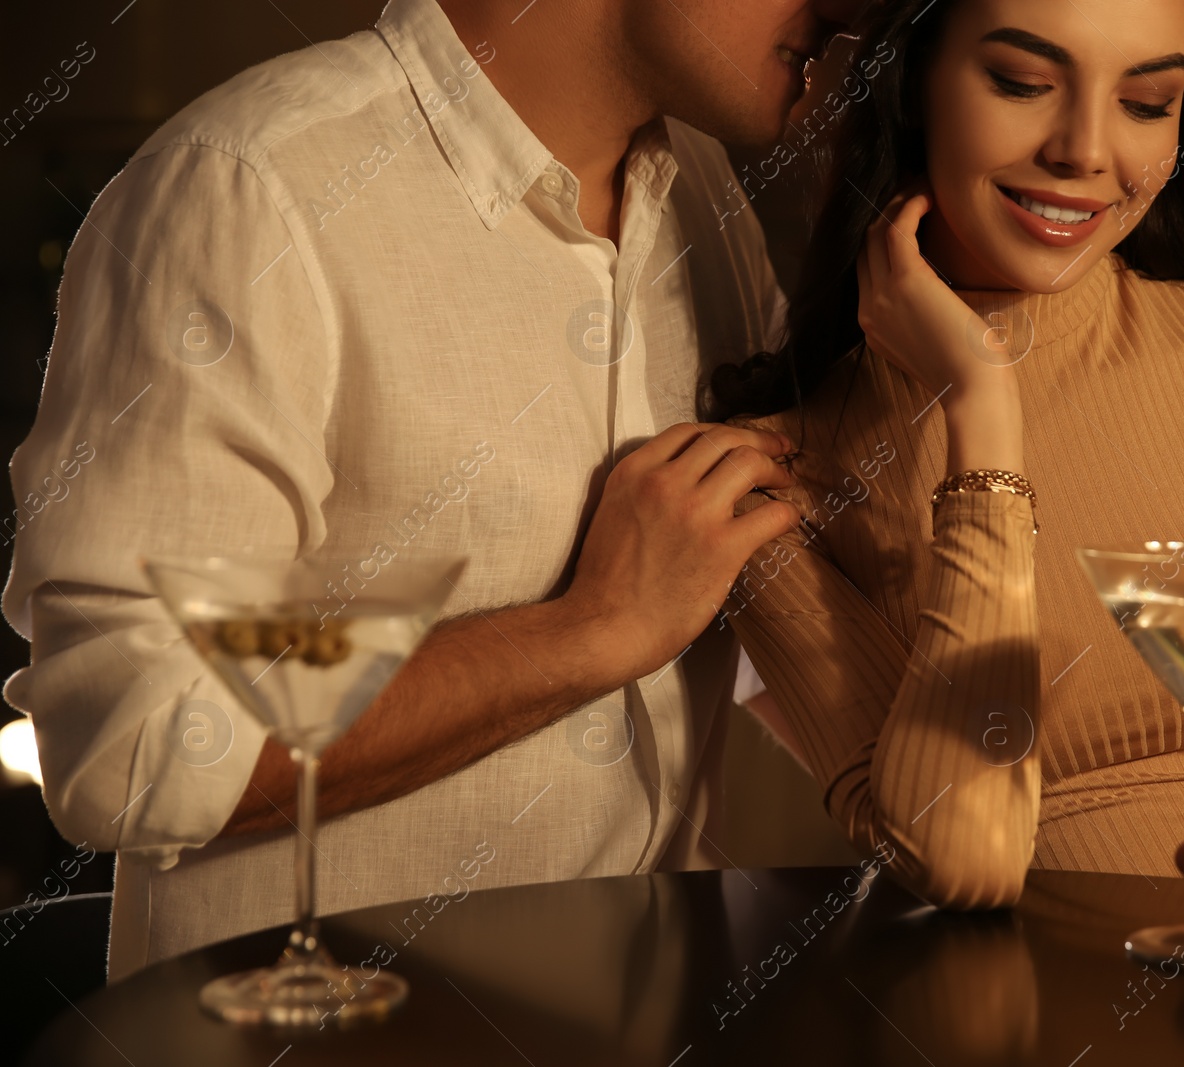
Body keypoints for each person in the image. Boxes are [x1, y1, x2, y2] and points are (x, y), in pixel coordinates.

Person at [1, 0, 868, 980]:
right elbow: (128, 744)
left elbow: (750, 611)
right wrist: (586, 632)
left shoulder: (701, 196)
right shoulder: (251, 192)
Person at [714, 0, 1184, 934]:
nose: (1085, 151)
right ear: (916, 81)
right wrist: (979, 407)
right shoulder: (777, 471)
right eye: (1022, 83)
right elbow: (960, 859)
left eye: (1146, 100)